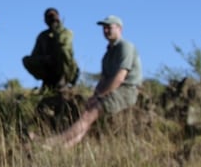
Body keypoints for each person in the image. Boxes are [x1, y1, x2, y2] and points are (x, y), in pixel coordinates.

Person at [45, 15, 142, 148]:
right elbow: (104, 80)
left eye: (109, 27)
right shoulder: (107, 54)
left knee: (89, 114)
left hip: (127, 90)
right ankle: (62, 148)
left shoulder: (125, 47)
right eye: (104, 28)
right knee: (87, 112)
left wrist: (99, 96)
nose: (106, 30)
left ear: (119, 29)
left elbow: (120, 77)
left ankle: (50, 143)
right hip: (112, 91)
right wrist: (95, 95)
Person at [23, 8, 79, 91]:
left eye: (53, 16)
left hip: (65, 67)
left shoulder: (66, 32)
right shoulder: (42, 36)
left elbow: (64, 46)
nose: (52, 18)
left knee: (63, 50)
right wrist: (45, 59)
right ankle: (47, 81)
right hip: (48, 66)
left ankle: (64, 80)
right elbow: (34, 55)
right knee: (27, 60)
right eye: (49, 16)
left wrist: (56, 29)